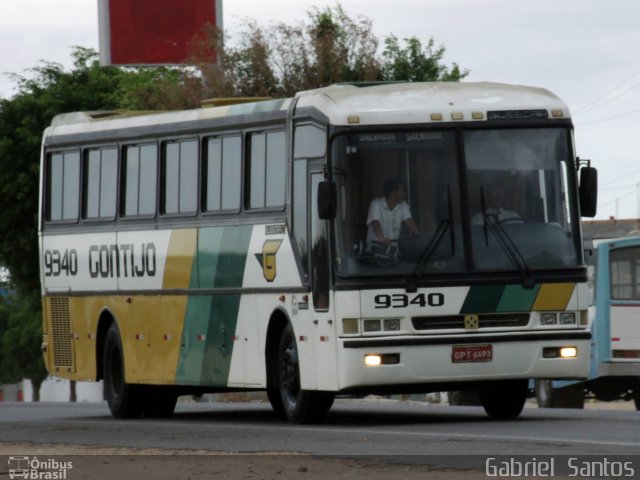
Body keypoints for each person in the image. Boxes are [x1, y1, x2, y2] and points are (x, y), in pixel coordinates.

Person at [366, 177, 419, 246]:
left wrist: (418, 235)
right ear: (392, 193)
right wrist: (382, 239)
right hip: (375, 249)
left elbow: (409, 221)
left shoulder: (403, 204)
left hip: (392, 249)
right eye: (402, 191)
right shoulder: (376, 204)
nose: (404, 193)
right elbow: (376, 224)